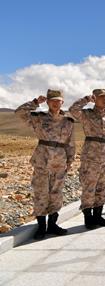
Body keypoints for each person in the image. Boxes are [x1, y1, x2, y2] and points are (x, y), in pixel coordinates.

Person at [15, 89, 75, 239]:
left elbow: (70, 143)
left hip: (60, 161)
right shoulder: (38, 118)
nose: (55, 103)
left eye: (58, 100)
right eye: (52, 100)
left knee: (56, 193)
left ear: (62, 102)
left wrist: (70, 160)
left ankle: (53, 224)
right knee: (41, 192)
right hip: (42, 160)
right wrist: (35, 103)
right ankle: (41, 227)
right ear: (48, 102)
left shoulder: (68, 121)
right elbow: (19, 113)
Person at [69, 89, 105, 229]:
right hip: (91, 156)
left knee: (102, 187)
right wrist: (85, 99)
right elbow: (72, 109)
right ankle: (88, 217)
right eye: (102, 97)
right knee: (89, 187)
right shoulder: (87, 114)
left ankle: (98, 215)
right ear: (95, 98)